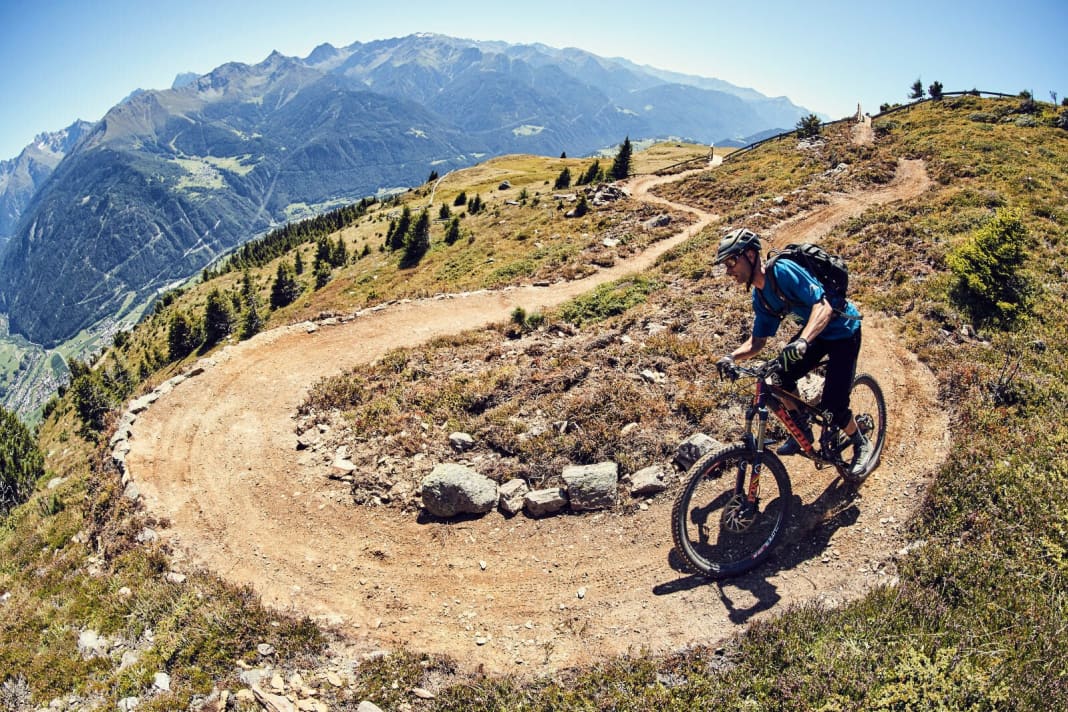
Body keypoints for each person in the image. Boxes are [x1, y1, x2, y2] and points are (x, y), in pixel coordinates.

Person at [713, 227, 873, 478]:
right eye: (726, 264)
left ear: (751, 255)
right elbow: (757, 342)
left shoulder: (783, 271)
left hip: (843, 332)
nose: (728, 270)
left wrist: (803, 341)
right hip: (816, 336)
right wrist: (731, 357)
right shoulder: (761, 296)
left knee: (834, 406)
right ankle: (803, 429)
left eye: (732, 261)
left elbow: (823, 307)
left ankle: (861, 442)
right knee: (779, 378)